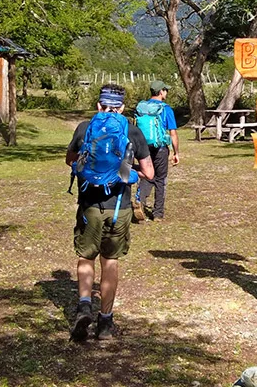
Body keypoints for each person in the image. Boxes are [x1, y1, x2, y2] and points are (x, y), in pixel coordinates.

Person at [65, 84, 155, 342]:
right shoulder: (132, 131)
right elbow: (149, 174)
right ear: (123, 108)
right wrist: (127, 166)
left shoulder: (85, 128)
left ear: (99, 105)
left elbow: (69, 159)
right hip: (120, 208)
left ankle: (84, 306)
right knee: (110, 261)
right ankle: (105, 323)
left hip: (89, 206)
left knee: (85, 258)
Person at [134, 79, 179, 222]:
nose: (167, 93)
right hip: (160, 147)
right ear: (161, 92)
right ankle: (158, 213)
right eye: (166, 90)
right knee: (160, 178)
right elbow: (173, 133)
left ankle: (139, 200)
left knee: (147, 174)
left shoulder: (141, 107)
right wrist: (176, 152)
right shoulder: (166, 109)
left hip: (142, 147)